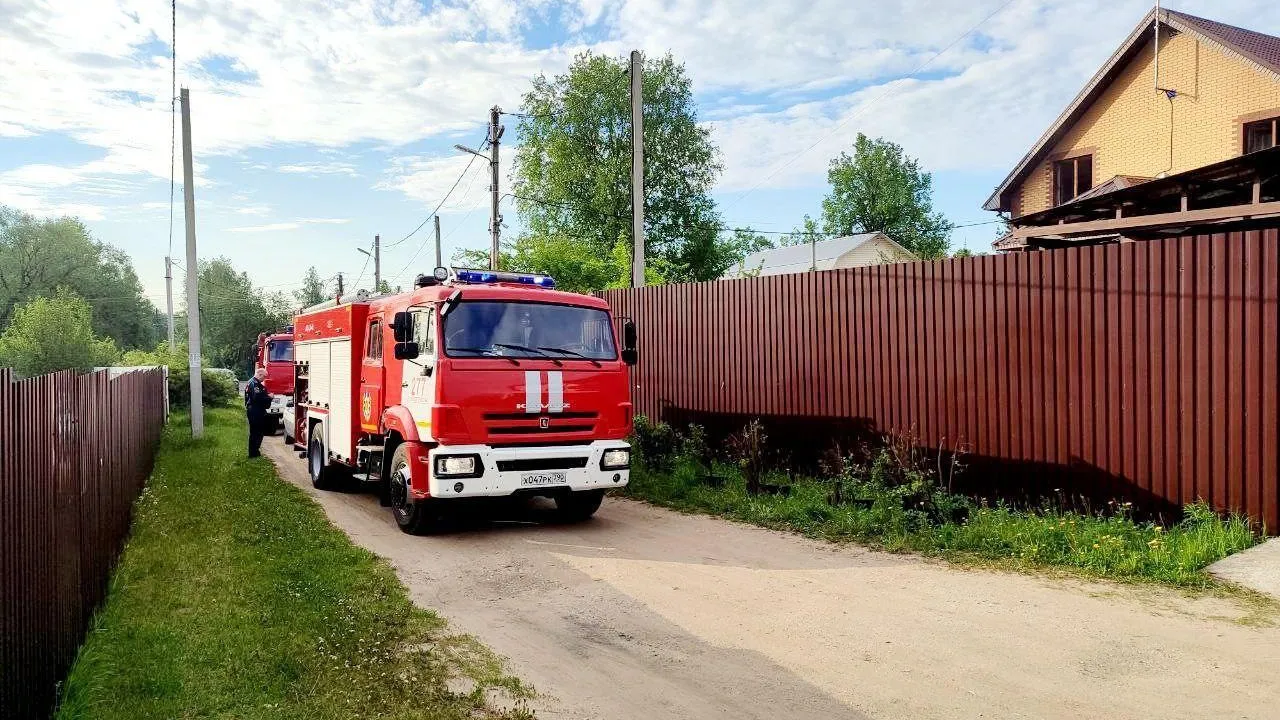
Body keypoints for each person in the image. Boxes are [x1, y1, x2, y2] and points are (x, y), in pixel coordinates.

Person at [244, 367, 271, 458]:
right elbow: (257, 398)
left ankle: (255, 452)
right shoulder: (255, 384)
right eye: (264, 376)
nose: (265, 379)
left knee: (257, 432)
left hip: (255, 410)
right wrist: (269, 397)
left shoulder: (253, 382)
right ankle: (253, 453)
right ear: (259, 374)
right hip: (255, 410)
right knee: (256, 432)